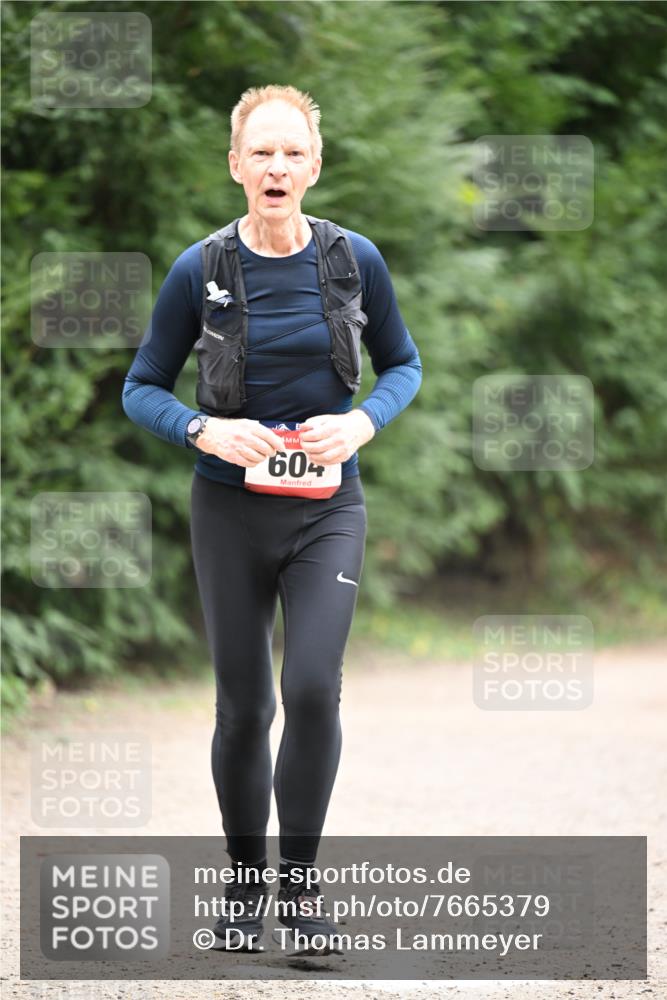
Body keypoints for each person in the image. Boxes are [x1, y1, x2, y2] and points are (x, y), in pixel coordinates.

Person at [122, 84, 422, 955]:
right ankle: (243, 890)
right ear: (235, 166)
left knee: (311, 690)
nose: (277, 166)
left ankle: (300, 895)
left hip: (329, 508)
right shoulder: (201, 270)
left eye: (293, 152)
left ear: (315, 165)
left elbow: (402, 365)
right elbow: (141, 387)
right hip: (228, 510)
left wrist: (364, 419)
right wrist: (203, 426)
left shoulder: (353, 259)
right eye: (262, 152)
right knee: (244, 708)